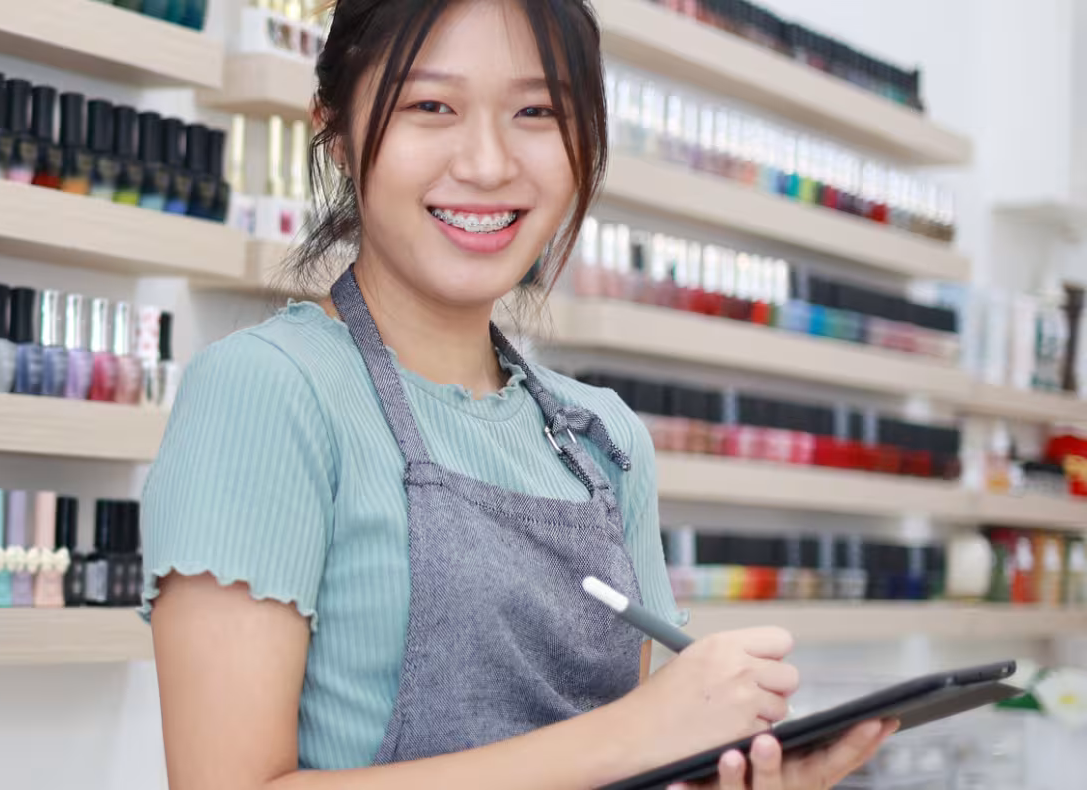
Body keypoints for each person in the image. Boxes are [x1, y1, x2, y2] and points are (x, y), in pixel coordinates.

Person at [141, 1, 897, 788]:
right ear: (335, 129)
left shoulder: (604, 441)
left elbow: (642, 765)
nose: (489, 162)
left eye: (536, 111)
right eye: (431, 106)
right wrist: (637, 732)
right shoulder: (269, 393)